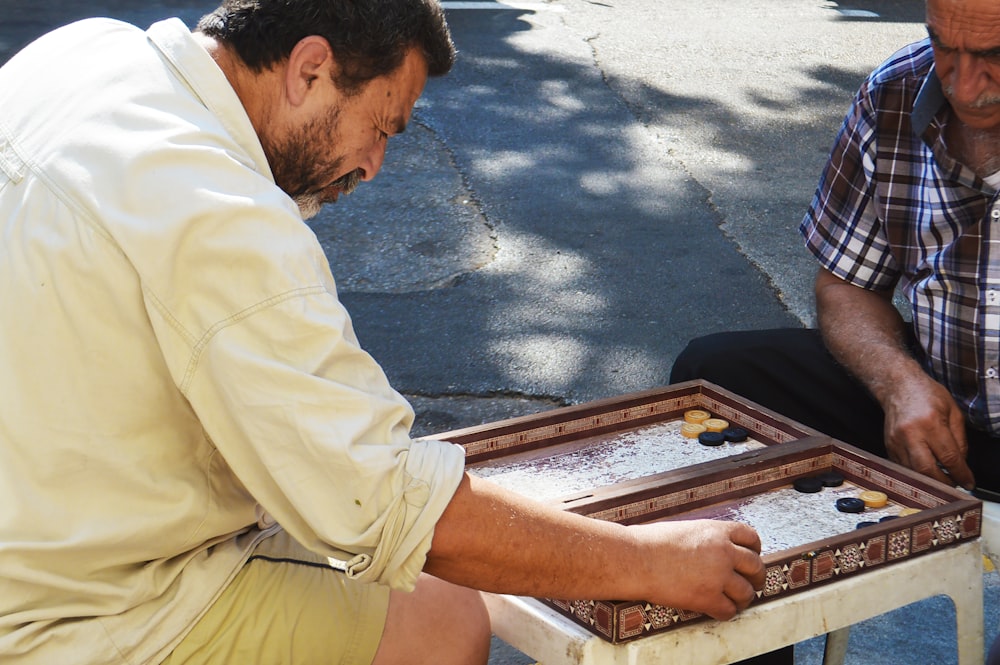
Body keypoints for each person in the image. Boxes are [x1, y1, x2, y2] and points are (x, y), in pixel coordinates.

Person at [0, 1, 767, 663]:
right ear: (309, 69)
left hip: (35, 523)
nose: (374, 167)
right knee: (441, 619)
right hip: (70, 619)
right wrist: (647, 561)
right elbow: (389, 509)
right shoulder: (224, 214)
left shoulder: (84, 50)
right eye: (382, 126)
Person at [671, 0, 1000, 662]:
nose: (963, 87)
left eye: (993, 60)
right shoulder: (896, 93)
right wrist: (898, 381)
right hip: (939, 405)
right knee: (718, 383)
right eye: (946, 49)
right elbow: (846, 283)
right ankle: (747, 638)